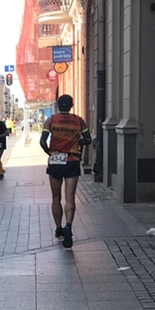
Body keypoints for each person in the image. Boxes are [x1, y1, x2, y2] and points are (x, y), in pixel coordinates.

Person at [40, 94, 91, 249]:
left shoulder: (51, 120)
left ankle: (58, 228)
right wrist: (79, 142)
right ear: (71, 105)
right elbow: (88, 139)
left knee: (56, 197)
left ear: (57, 105)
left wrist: (49, 152)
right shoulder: (79, 120)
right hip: (72, 160)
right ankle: (68, 225)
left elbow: (43, 141)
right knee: (70, 197)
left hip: (56, 160)